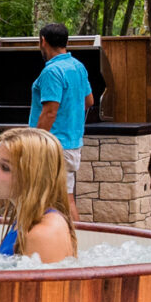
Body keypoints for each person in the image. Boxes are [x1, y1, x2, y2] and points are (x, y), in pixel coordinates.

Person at [0, 126, 76, 263]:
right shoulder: (28, 219)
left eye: (5, 167)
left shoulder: (43, 235)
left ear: (34, 177)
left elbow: (50, 285)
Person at [28, 21, 94, 201]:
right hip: (71, 144)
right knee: (64, 199)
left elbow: (49, 112)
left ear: (43, 41)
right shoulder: (78, 66)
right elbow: (89, 101)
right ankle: (70, 230)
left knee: (59, 201)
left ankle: (72, 230)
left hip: (53, 147)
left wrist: (34, 145)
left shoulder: (52, 71)